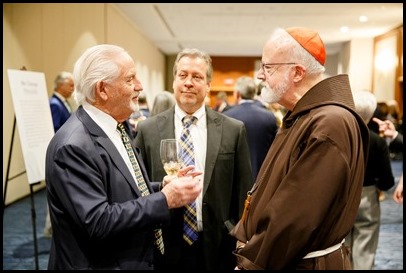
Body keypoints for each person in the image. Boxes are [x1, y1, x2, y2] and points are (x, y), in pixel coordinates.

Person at [45, 44, 203, 270]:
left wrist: (160, 187)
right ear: (102, 90)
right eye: (130, 79)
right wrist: (165, 198)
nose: (139, 86)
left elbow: (120, 188)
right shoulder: (73, 146)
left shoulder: (117, 127)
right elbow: (98, 221)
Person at [230, 27, 369, 270]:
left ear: (297, 72)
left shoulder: (329, 122)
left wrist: (251, 263)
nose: (260, 76)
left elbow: (296, 217)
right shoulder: (305, 115)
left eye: (268, 67)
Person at [134, 48, 254, 270]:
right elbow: (137, 188)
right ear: (174, 82)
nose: (189, 82)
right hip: (164, 244)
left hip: (217, 245)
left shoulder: (233, 130)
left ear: (208, 85)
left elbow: (244, 189)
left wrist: (242, 241)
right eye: (183, 75)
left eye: (197, 77)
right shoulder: (148, 129)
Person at [344, 90, 394, 270]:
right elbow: (387, 181)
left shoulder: (340, 136)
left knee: (341, 245)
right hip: (367, 195)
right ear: (372, 114)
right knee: (365, 243)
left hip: (341, 195)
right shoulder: (377, 142)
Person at [223, 76, 278, 181]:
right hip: (263, 177)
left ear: (237, 94)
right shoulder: (269, 116)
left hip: (235, 178)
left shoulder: (226, 117)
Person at [44, 71, 75, 238]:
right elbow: (55, 130)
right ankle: (51, 228)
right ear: (60, 85)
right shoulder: (55, 104)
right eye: (70, 85)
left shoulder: (63, 102)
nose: (73, 88)